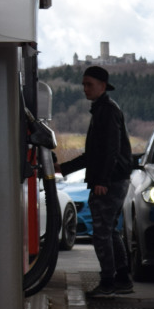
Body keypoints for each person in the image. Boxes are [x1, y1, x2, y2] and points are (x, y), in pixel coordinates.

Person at [60, 66, 134, 297]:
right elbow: (94, 153)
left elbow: (110, 149)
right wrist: (63, 168)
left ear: (102, 85)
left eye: (89, 84)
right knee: (110, 230)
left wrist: (103, 179)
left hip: (110, 180)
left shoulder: (107, 111)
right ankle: (122, 279)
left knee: (101, 232)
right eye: (83, 84)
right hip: (114, 178)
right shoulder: (104, 110)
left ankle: (108, 282)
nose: (85, 89)